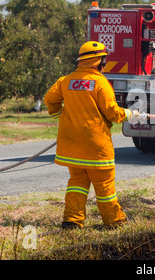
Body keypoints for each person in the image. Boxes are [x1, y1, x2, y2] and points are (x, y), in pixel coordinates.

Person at [44, 41, 146, 229]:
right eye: (104, 60)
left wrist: (59, 114)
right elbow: (112, 113)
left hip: (73, 148)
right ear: (99, 61)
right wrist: (131, 114)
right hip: (96, 148)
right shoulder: (100, 83)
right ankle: (115, 221)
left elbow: (50, 100)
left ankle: (72, 221)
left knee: (77, 183)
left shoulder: (65, 81)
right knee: (105, 186)